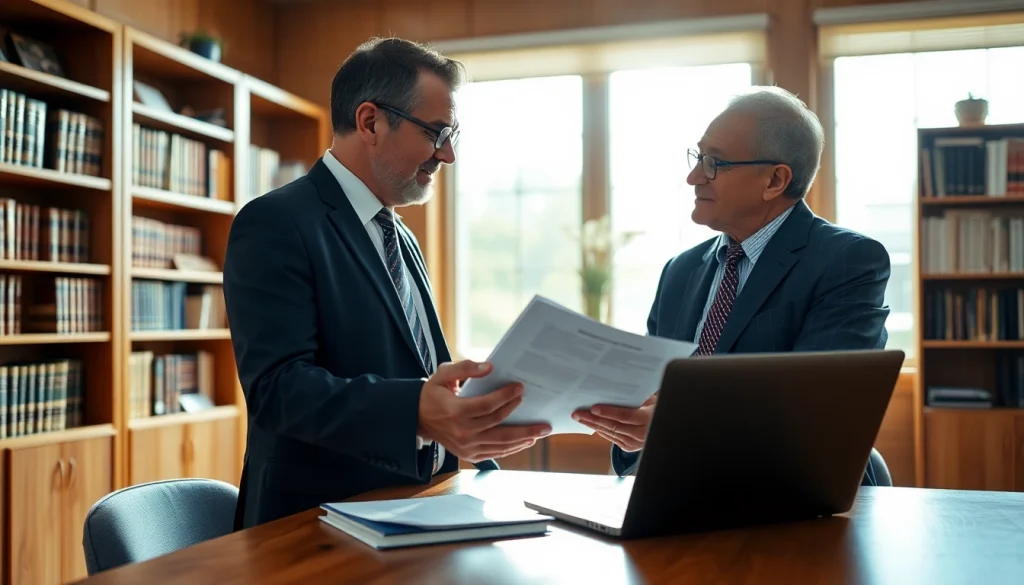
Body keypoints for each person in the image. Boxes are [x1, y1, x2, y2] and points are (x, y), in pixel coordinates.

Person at [223, 37, 552, 530]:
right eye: (436, 133)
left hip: (414, 518)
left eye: (452, 136)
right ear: (370, 121)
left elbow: (418, 369)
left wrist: (482, 454)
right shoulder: (274, 222)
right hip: (311, 532)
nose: (447, 156)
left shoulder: (399, 235)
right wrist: (415, 411)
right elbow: (278, 389)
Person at [572, 86, 891, 484]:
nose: (693, 176)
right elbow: (651, 397)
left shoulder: (848, 261)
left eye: (714, 163)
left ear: (775, 180)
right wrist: (630, 428)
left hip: (794, 502)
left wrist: (677, 426)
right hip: (676, 495)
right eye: (698, 157)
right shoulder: (680, 271)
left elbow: (819, 409)